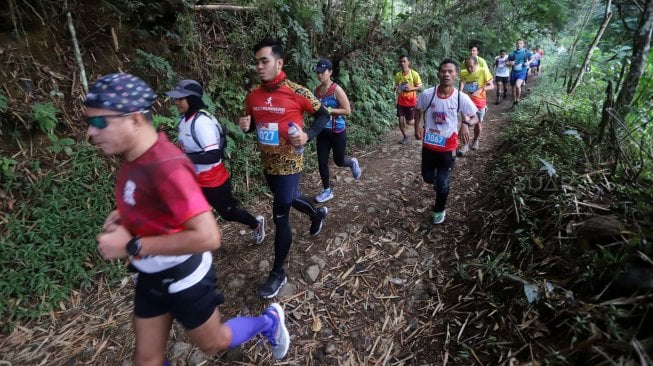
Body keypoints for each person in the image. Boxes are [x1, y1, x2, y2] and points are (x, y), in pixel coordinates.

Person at [86, 73, 289, 365]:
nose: (92, 132)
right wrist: (126, 214)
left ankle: (269, 321)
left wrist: (132, 245)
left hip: (184, 272)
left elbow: (209, 237)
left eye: (100, 121)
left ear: (134, 120)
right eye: (90, 122)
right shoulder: (134, 157)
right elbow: (150, 198)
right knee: (146, 359)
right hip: (150, 271)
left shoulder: (167, 163)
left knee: (214, 342)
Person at [238, 38, 330, 299]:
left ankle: (278, 273)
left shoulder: (297, 92)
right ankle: (317, 215)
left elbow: (323, 114)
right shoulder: (253, 96)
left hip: (291, 162)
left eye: (264, 61)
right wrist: (247, 126)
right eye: (256, 61)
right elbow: (256, 123)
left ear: (279, 63)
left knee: (280, 214)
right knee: (289, 198)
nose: (259, 66)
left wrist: (308, 135)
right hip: (268, 162)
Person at [166, 79, 266, 245]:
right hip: (193, 178)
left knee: (228, 212)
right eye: (176, 99)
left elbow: (213, 155)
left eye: (180, 99)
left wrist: (182, 158)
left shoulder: (202, 123)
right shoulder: (184, 120)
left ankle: (256, 224)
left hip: (213, 180)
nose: (176, 102)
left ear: (191, 99)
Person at [414, 60, 478, 224]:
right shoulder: (428, 94)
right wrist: (417, 127)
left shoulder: (459, 97)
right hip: (429, 146)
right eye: (443, 71)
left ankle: (439, 209)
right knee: (428, 178)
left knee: (442, 183)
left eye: (450, 71)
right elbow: (418, 109)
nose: (446, 74)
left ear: (456, 75)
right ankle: (438, 182)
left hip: (448, 148)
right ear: (438, 74)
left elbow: (475, 116)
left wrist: (465, 124)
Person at [312, 58, 362, 203]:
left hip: (337, 132)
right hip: (322, 133)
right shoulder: (317, 91)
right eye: (318, 72)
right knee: (321, 162)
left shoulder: (336, 90)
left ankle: (352, 163)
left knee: (339, 161)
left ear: (330, 72)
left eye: (323, 72)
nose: (320, 75)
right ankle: (327, 190)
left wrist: (330, 110)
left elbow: (347, 111)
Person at [458, 56, 494, 154]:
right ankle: (464, 145)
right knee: (465, 123)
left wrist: (481, 89)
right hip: (467, 102)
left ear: (476, 64)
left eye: (471, 67)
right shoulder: (463, 72)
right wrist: (460, 92)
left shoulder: (483, 71)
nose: (469, 69)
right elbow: (462, 81)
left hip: (480, 102)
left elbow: (491, 85)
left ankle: (475, 140)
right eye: (467, 67)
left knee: (477, 124)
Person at [393, 55, 422, 145]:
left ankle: (417, 124)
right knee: (400, 120)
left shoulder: (414, 74)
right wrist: (395, 87)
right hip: (401, 101)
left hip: (411, 102)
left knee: (409, 122)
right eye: (401, 62)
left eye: (404, 61)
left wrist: (410, 89)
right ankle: (405, 137)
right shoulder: (398, 75)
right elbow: (397, 85)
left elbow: (420, 86)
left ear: (408, 62)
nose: (402, 63)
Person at [507, 39, 533, 107]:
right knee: (513, 89)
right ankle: (515, 101)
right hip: (513, 73)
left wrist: (528, 62)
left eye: (521, 43)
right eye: (518, 43)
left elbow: (532, 58)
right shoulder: (512, 54)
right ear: (516, 44)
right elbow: (507, 62)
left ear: (523, 44)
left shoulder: (526, 52)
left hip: (522, 72)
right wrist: (510, 63)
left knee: (518, 85)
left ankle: (518, 100)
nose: (519, 45)